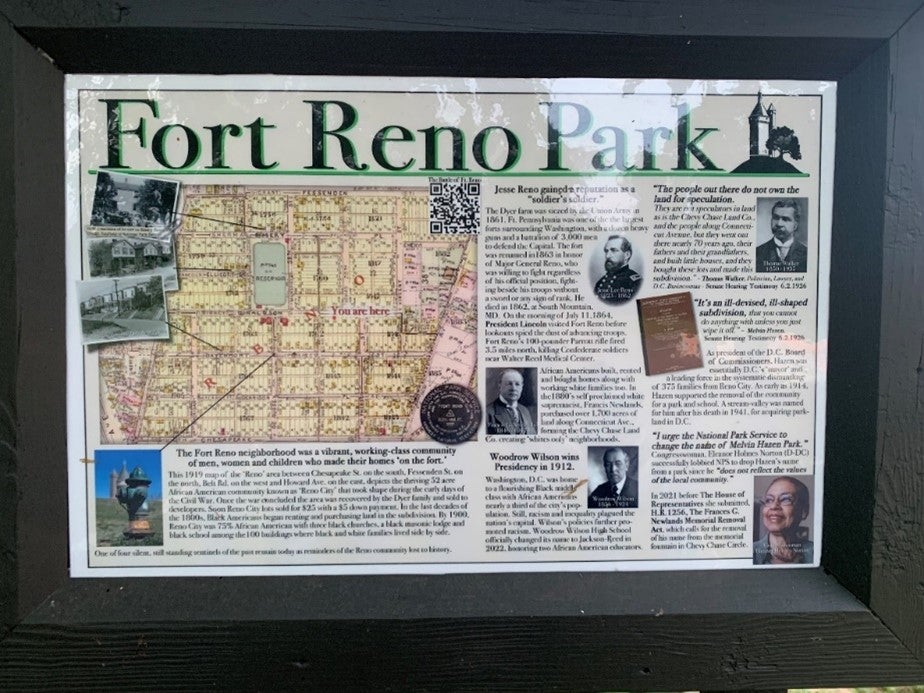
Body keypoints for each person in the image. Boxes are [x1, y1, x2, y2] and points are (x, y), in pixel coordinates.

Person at [753, 476, 814, 564]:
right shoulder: (749, 552)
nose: (773, 506)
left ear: (804, 511)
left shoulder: (814, 552)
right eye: (769, 500)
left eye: (786, 499)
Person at [755, 199, 808, 272]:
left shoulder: (806, 254)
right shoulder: (758, 253)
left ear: (795, 225)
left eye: (785, 219)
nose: (779, 224)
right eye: (776, 218)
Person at [593, 234, 642, 304]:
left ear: (627, 255)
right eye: (606, 251)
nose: (607, 255)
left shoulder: (635, 283)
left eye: (613, 250)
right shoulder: (600, 283)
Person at [485, 369, 536, 435]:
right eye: (509, 384)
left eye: (517, 384)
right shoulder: (487, 413)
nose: (513, 388)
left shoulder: (524, 410)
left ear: (522, 387)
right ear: (499, 385)